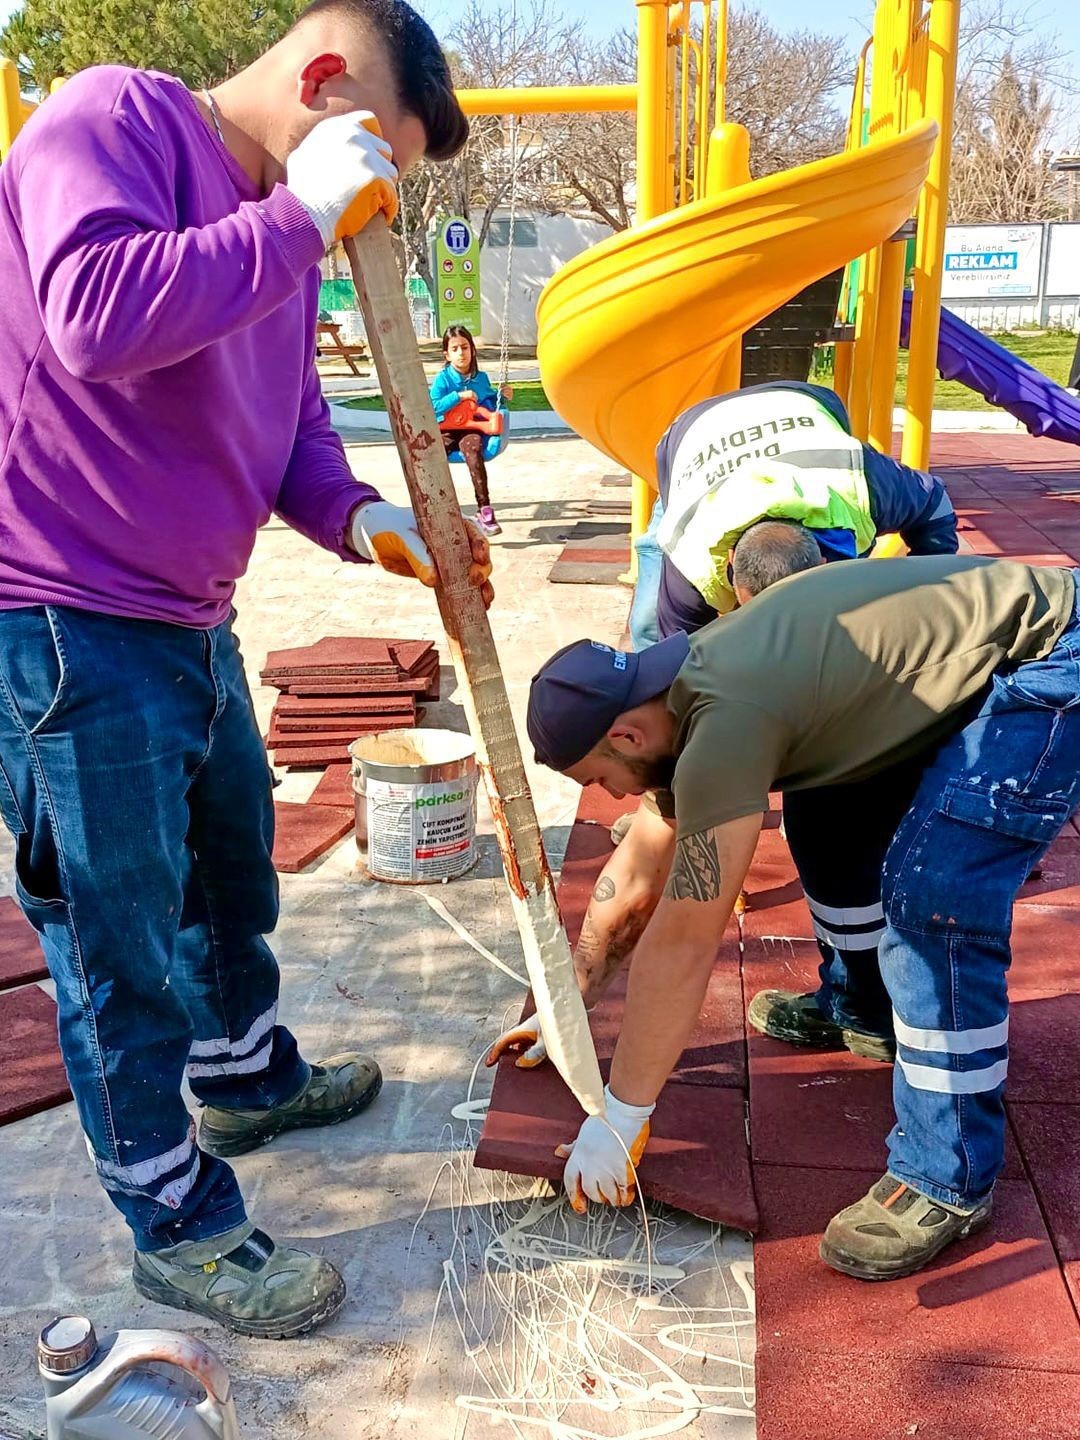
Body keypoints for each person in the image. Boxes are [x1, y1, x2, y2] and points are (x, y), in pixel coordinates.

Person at [0, 0, 491, 1340]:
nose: (374, 189)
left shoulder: (284, 219)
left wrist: (370, 522)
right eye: (376, 152)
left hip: (187, 615)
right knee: (117, 931)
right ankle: (175, 1216)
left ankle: (243, 1074)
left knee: (230, 870)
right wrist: (298, 223)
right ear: (321, 76)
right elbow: (94, 316)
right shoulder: (113, 118)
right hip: (64, 613)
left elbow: (286, 431)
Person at [518, 555, 1080, 1279]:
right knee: (824, 805)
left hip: (1057, 656)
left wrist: (621, 1119)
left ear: (626, 737)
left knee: (933, 895)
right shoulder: (675, 695)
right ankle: (864, 1010)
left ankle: (947, 1175)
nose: (616, 798)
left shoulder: (728, 716)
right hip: (996, 647)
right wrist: (568, 1006)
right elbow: (636, 878)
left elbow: (685, 936)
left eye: (600, 781)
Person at [628, 380, 958, 649]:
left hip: (801, 403)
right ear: (728, 561)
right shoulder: (690, 560)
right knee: (649, 625)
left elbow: (935, 504)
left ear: (822, 565)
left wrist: (925, 597)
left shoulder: (864, 486)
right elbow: (677, 657)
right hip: (691, 440)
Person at [430, 324, 512, 537]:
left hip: (470, 428)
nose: (461, 353)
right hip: (446, 429)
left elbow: (488, 401)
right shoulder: (443, 379)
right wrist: (460, 396)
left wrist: (502, 396)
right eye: (455, 349)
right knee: (431, 455)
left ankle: (484, 510)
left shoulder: (480, 378)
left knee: (473, 449)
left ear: (472, 350)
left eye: (464, 347)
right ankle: (437, 509)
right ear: (447, 354)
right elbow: (433, 406)